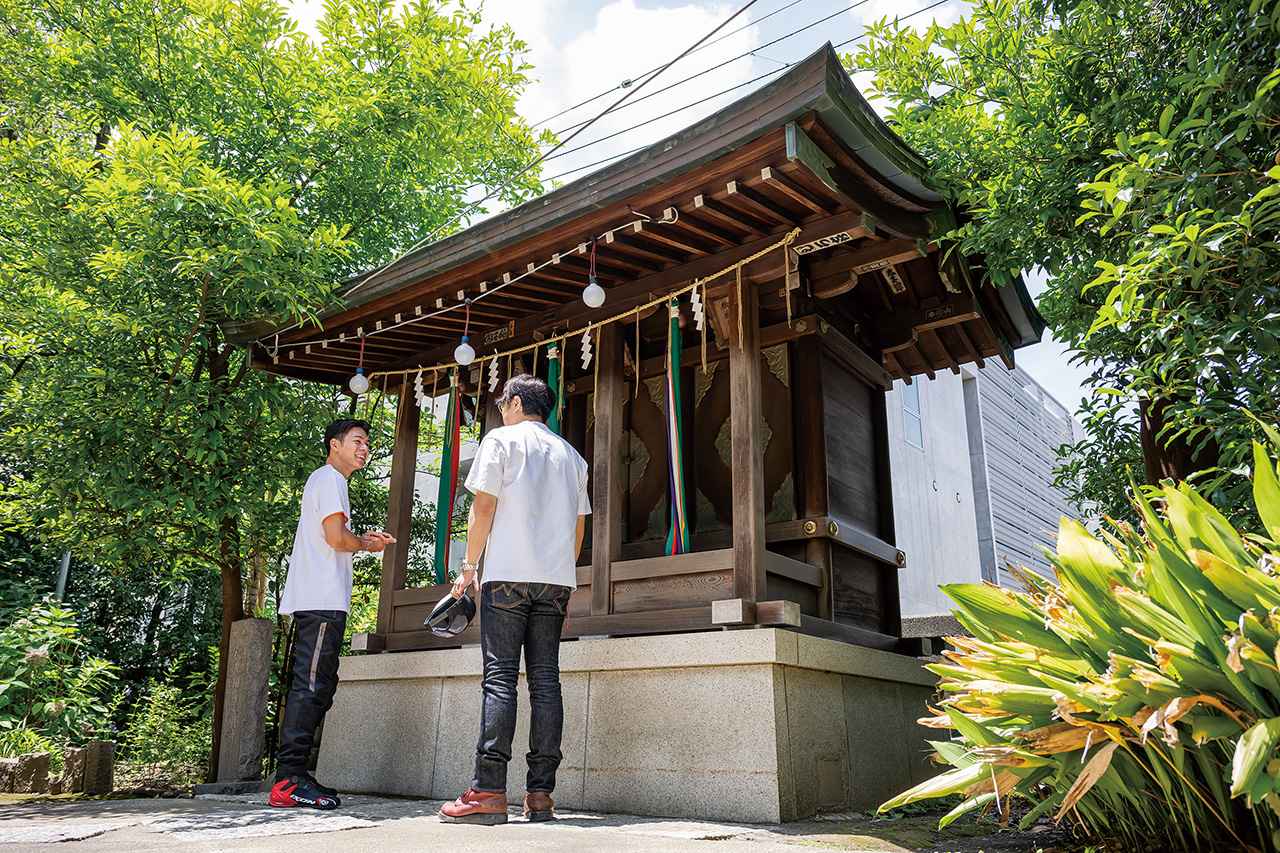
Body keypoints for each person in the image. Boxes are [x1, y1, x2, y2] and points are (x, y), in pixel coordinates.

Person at [440, 375, 590, 825]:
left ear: (517, 403)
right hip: (556, 580)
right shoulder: (573, 457)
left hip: (506, 574)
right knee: (546, 681)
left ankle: (486, 791)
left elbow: (482, 506)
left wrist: (468, 567)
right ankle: (540, 794)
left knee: (500, 678)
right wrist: (560, 571)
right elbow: (579, 528)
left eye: (503, 403)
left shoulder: (501, 440)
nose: (500, 411)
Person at [269, 418, 395, 810]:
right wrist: (367, 545)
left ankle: (296, 775)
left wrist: (362, 542)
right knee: (310, 687)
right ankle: (288, 780)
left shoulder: (330, 482)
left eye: (368, 444)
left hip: (322, 601)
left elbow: (337, 538)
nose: (364, 449)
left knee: (318, 686)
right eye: (357, 441)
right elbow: (337, 539)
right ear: (333, 444)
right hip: (319, 600)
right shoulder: (328, 479)